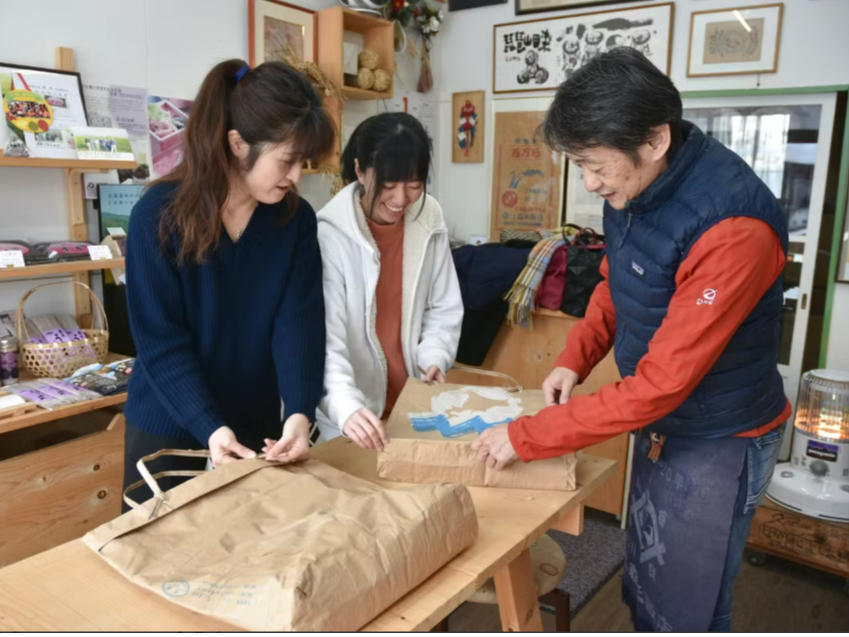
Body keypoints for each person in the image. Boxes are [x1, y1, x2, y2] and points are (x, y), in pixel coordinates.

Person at [472, 48, 789, 632]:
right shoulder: (635, 188)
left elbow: (662, 384)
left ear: (655, 140)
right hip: (665, 423)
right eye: (579, 164)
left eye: (595, 165)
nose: (589, 182)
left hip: (722, 436)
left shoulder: (733, 227)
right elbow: (619, 280)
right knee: (647, 580)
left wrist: (528, 435)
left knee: (689, 610)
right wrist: (575, 357)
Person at [122, 59, 335, 509]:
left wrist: (299, 412)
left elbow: (299, 323)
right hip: (169, 424)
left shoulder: (294, 220)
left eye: (304, 161)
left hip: (256, 425)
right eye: (287, 160)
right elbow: (161, 342)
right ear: (238, 144)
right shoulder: (157, 216)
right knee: (159, 546)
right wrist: (210, 428)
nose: (297, 175)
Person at [315, 113, 463, 450]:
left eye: (414, 185)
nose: (400, 199)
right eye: (389, 184)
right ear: (360, 171)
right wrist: (346, 407)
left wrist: (434, 355)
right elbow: (325, 341)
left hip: (413, 408)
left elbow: (442, 306)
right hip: (354, 421)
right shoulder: (329, 236)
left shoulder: (429, 218)